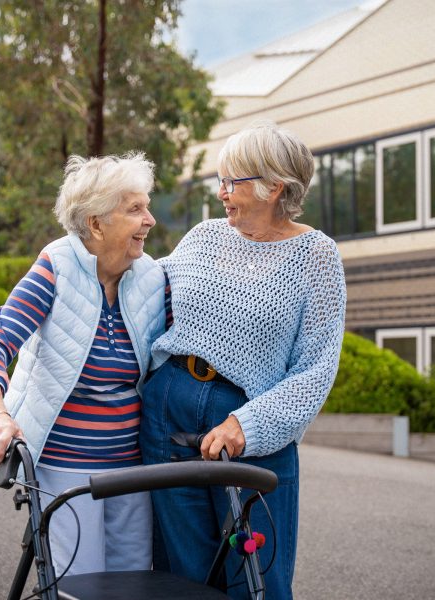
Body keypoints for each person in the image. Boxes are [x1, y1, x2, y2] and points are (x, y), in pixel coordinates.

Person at [139, 122, 346, 599]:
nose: (222, 193)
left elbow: (315, 370)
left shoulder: (316, 256)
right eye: (221, 180)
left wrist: (246, 425)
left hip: (250, 428)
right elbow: (144, 293)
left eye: (232, 182)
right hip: (169, 410)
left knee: (257, 583)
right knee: (180, 575)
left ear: (274, 187)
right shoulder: (205, 237)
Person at [0, 152, 169, 576]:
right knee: (78, 581)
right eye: (135, 209)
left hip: (132, 469)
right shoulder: (56, 267)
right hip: (64, 465)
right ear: (96, 223)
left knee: (133, 582)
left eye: (147, 206)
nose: (150, 219)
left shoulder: (153, 278)